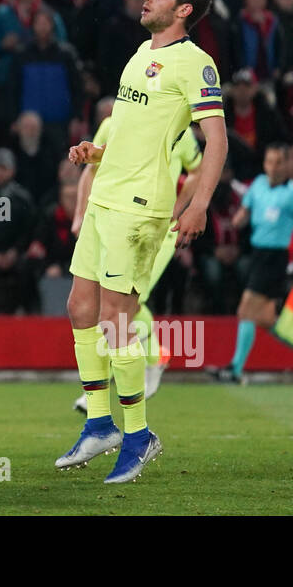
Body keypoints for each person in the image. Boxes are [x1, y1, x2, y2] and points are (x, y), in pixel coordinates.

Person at [59, 0, 228, 484]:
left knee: (116, 319)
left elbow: (217, 141)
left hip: (139, 206)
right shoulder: (140, 54)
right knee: (80, 307)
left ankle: (138, 435)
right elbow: (134, 136)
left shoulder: (196, 64)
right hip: (106, 194)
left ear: (183, 9)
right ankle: (100, 425)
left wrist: (198, 203)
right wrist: (97, 152)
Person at [69, 111, 202, 414]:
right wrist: (81, 214)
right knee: (114, 304)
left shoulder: (176, 128)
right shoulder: (109, 125)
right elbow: (90, 172)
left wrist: (178, 209)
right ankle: (141, 366)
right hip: (112, 222)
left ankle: (145, 364)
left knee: (125, 302)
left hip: (158, 228)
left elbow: (197, 168)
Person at [208, 143, 293, 384]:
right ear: (264, 164)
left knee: (245, 310)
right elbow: (244, 212)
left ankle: (235, 370)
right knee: (265, 319)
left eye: (278, 162)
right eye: (269, 162)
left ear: (287, 165)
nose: (273, 167)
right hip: (257, 254)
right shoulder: (258, 185)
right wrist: (238, 220)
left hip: (276, 257)